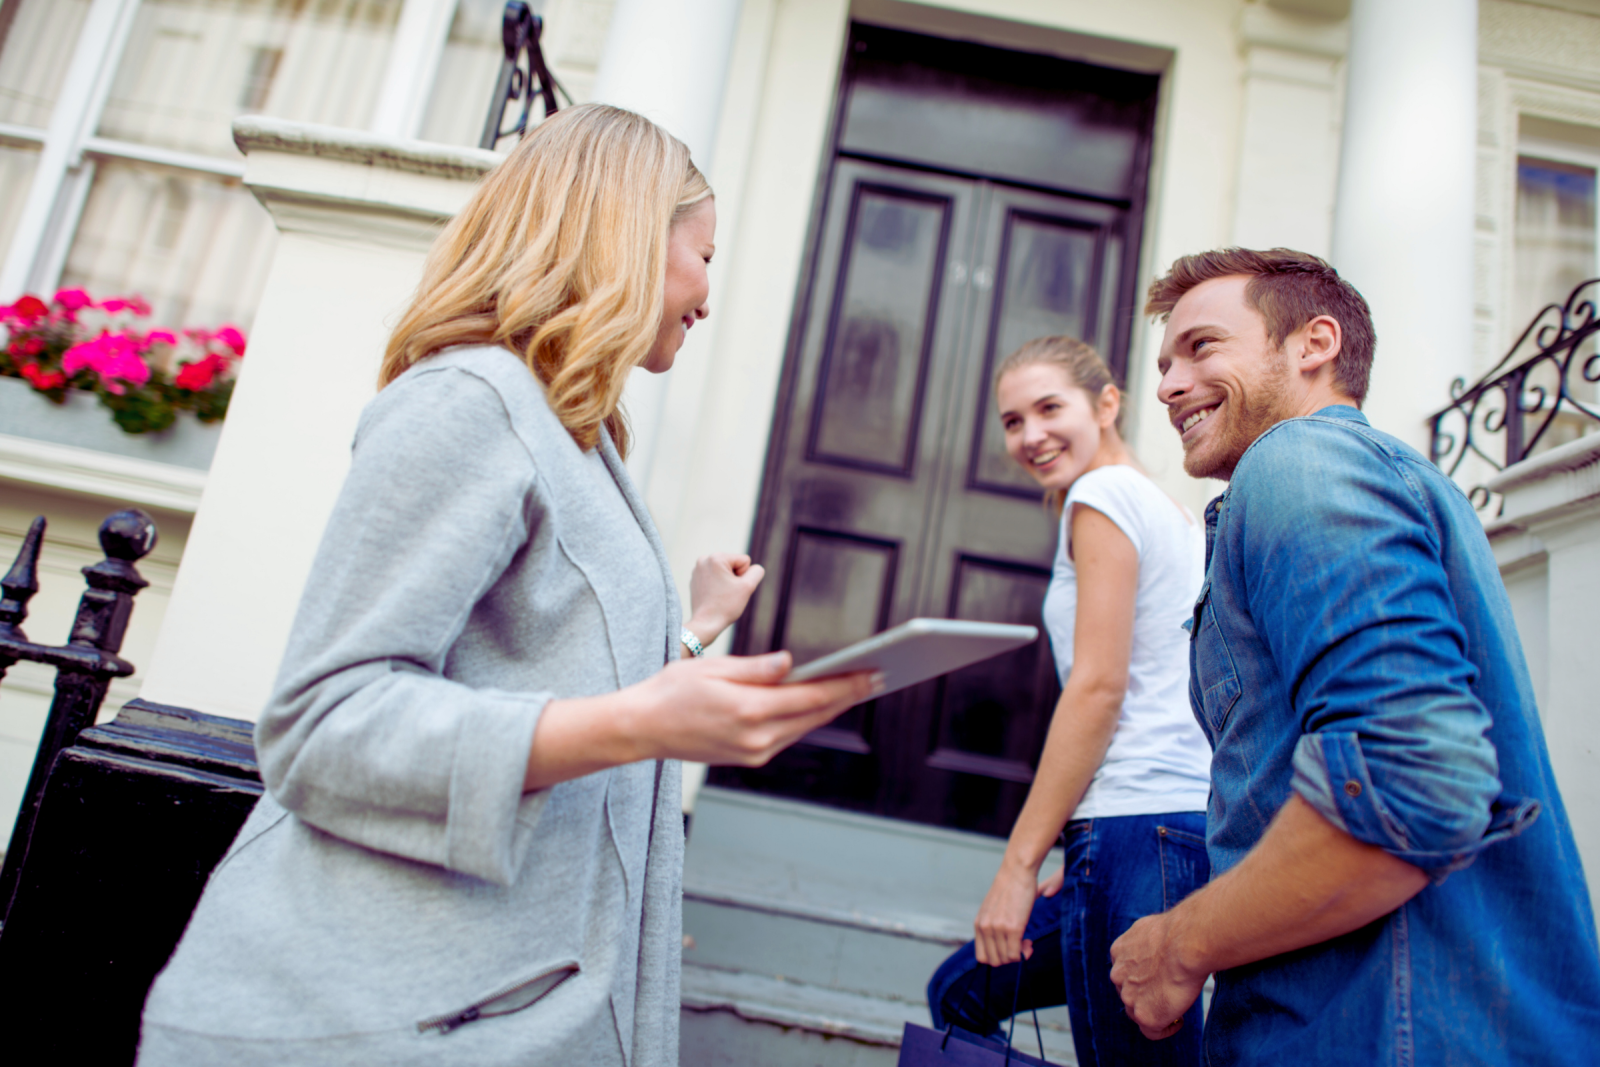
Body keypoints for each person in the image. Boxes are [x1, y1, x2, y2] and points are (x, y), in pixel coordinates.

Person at [136, 104, 874, 1067]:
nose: (706, 296)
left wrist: (690, 637)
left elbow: (535, 675)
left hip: (501, 1013)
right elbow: (320, 724)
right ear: (623, 238)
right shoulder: (467, 403)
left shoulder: (577, 433)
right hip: (381, 1025)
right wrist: (645, 722)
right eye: (704, 255)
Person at [1109, 247, 1600, 1064]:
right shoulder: (1378, 477)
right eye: (1164, 363)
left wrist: (1178, 943)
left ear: (1314, 344)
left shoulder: (1300, 461)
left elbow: (1412, 782)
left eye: (1201, 347)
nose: (1165, 385)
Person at [925, 336, 1212, 1067]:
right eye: (1013, 420)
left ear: (1107, 402)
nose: (1030, 435)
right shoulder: (1172, 511)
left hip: (1134, 823)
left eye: (1050, 407)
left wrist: (1019, 865)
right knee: (964, 993)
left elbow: (1099, 685)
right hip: (1161, 826)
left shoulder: (1100, 496)